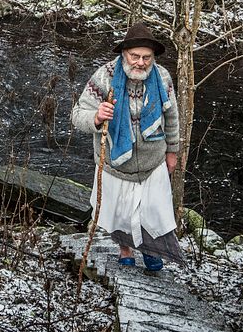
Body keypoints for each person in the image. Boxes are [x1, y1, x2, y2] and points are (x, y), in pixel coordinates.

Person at [71, 22, 184, 271]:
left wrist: (173, 152)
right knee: (120, 212)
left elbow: (172, 117)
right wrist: (97, 117)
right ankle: (125, 250)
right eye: (135, 56)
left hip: (153, 160)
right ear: (124, 54)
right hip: (115, 161)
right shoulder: (105, 76)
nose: (141, 63)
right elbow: (77, 115)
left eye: (146, 57)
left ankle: (151, 251)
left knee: (153, 210)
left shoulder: (162, 77)